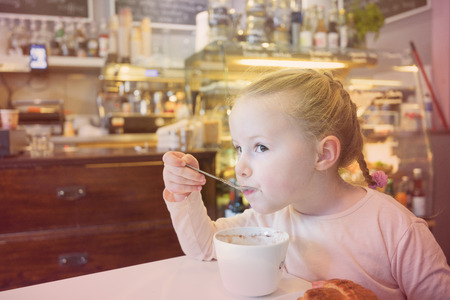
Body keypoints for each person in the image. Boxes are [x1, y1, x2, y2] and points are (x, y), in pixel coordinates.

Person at [162, 68, 450, 299]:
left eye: (260, 147)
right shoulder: (269, 220)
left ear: (323, 154)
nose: (240, 167)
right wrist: (183, 192)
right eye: (239, 148)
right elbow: (204, 247)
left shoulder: (395, 229)